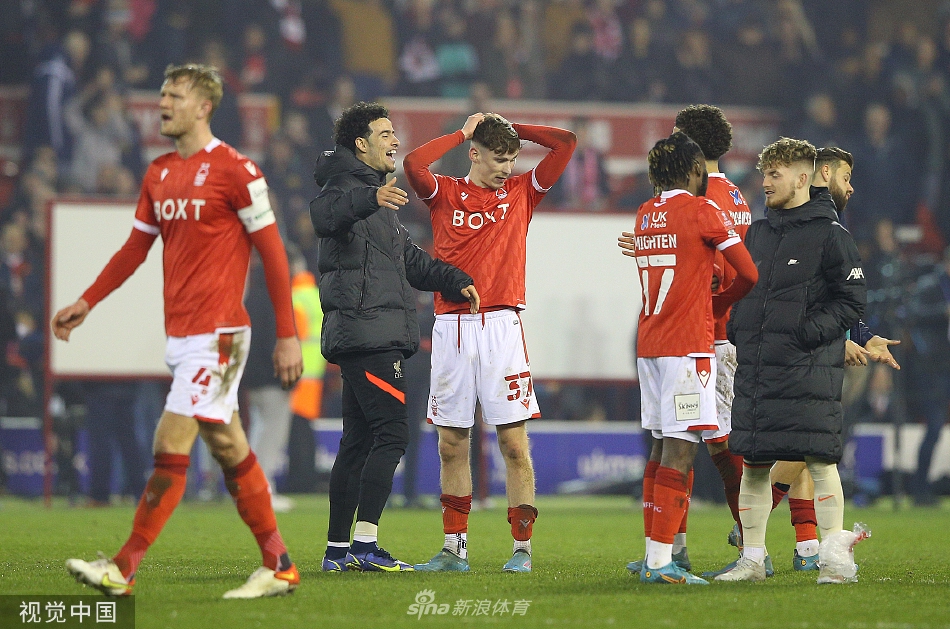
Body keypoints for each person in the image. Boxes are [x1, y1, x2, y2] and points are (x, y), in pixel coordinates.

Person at [53, 64, 304, 599]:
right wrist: (87, 301)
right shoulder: (159, 172)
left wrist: (287, 335)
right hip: (183, 336)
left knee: (169, 440)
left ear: (203, 106)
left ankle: (122, 568)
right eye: (163, 94)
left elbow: (274, 254)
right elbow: (134, 249)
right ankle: (279, 565)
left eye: (174, 95)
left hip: (220, 335)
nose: (163, 103)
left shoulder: (238, 170)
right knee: (228, 445)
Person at [706, 145, 900, 577]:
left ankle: (833, 561)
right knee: (754, 464)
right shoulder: (757, 233)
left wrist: (807, 334)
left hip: (810, 368)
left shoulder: (832, 235)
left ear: (801, 179)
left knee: (819, 461)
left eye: (774, 174)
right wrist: (740, 330)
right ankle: (752, 560)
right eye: (764, 174)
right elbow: (742, 290)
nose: (765, 182)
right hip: (759, 369)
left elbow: (851, 301)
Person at [403, 112, 576, 574]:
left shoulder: (521, 193)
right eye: (499, 159)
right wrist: (462, 132)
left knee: (514, 445)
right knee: (450, 444)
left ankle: (522, 549)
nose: (507, 168)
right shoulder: (445, 193)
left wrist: (513, 126)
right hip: (451, 327)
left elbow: (565, 143)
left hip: (501, 327)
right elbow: (414, 164)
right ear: (474, 153)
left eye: (512, 159)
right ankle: (453, 550)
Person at [310, 101, 478, 573]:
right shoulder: (346, 188)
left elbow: (411, 261)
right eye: (384, 134)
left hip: (365, 332)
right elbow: (324, 216)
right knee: (392, 432)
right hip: (369, 334)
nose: (395, 141)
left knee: (358, 441)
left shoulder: (377, 199)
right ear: (360, 144)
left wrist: (456, 279)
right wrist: (371, 198)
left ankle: (337, 552)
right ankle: (365, 545)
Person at [618, 131, 758, 585]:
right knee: (682, 450)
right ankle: (661, 564)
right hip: (687, 348)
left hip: (649, 345)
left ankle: (655, 554)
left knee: (661, 447)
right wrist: (717, 304)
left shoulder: (644, 213)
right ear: (697, 170)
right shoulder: (702, 210)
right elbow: (748, 273)